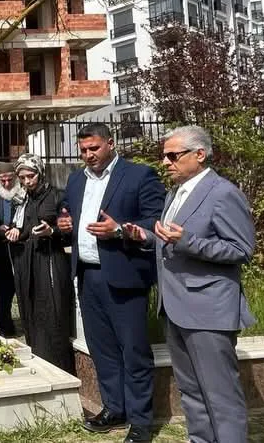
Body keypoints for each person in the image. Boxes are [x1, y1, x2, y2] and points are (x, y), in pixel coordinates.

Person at [125, 126, 255, 443]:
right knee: (191, 390)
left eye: (173, 155)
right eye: (164, 156)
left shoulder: (223, 193)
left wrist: (188, 242)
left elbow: (241, 249)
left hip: (208, 310)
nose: (165, 162)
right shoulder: (175, 193)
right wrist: (146, 237)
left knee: (220, 394)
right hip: (174, 307)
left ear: (199, 154)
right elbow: (171, 240)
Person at [57, 123, 165, 443]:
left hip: (125, 275)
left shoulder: (139, 176)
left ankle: (141, 421)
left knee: (133, 350)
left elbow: (155, 221)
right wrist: (64, 223)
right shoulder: (76, 180)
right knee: (101, 349)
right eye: (83, 150)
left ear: (111, 143)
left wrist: (119, 230)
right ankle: (114, 408)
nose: (88, 155)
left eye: (94, 148)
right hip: (87, 275)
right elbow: (67, 212)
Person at [5, 154, 74, 373]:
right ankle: (38, 364)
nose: (27, 181)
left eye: (31, 176)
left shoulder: (57, 196)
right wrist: (14, 232)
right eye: (22, 177)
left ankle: (59, 369)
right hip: (26, 262)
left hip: (50, 260)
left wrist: (51, 231)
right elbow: (17, 227)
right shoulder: (19, 200)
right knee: (30, 311)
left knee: (52, 315)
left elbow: (68, 231)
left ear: (41, 173)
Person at [0, 162, 24, 337]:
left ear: (15, 177)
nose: (7, 184)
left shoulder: (24, 193)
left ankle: (28, 325)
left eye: (10, 180)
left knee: (23, 289)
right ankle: (5, 327)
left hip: (21, 248)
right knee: (3, 292)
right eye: (3, 180)